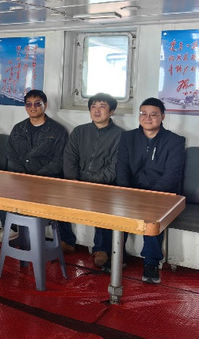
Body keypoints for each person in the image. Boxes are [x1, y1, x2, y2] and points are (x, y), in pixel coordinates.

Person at [116, 97, 185, 284]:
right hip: (132, 191)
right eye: (143, 114)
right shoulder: (128, 138)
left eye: (153, 114)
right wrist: (126, 191)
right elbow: (122, 167)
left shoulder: (175, 141)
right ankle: (117, 255)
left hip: (160, 193)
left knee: (153, 214)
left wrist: (151, 196)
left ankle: (151, 262)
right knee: (116, 209)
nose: (148, 118)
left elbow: (172, 174)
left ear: (163, 116)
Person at [0, 90, 68, 246]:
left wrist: (36, 178)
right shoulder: (18, 129)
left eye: (37, 104)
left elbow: (59, 161)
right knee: (2, 189)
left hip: (46, 181)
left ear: (45, 105)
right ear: (25, 107)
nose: (33, 107)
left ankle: (45, 236)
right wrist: (22, 176)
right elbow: (12, 155)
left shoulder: (57, 131)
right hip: (21, 178)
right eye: (29, 104)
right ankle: (10, 228)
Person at [62, 92, 124, 269]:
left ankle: (101, 249)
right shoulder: (79, 131)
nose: (97, 111)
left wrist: (92, 181)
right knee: (59, 197)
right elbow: (69, 158)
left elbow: (115, 167)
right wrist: (74, 181)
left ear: (111, 111)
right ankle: (66, 240)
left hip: (103, 185)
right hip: (77, 181)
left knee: (104, 204)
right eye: (93, 107)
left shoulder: (121, 136)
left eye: (102, 107)